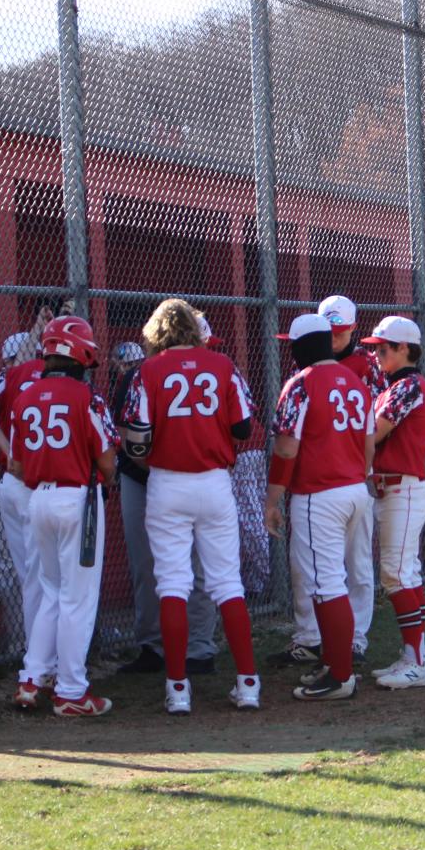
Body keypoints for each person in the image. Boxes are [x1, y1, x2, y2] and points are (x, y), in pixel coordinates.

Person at [121, 299, 261, 714]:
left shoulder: (148, 370)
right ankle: (249, 684)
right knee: (227, 584)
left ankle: (178, 689)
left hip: (166, 483)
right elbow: (243, 426)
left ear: (156, 332)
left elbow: (138, 437)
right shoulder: (222, 365)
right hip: (214, 481)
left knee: (172, 584)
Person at [9, 315, 117, 718]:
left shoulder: (25, 395)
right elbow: (106, 460)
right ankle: (71, 690)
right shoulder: (88, 397)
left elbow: (16, 465)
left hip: (38, 498)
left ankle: (31, 679)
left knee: (51, 592)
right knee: (77, 597)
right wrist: (106, 477)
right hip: (78, 498)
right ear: (81, 351)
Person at [267, 295, 381, 670]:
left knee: (341, 573)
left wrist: (274, 496)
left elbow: (286, 447)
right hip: (349, 482)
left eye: (340, 331)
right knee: (319, 572)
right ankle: (316, 641)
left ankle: (346, 652)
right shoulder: (341, 379)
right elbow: (366, 436)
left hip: (328, 487)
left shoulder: (326, 377)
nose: (335, 337)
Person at [108, 340, 219, 678]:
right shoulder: (137, 375)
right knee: (146, 564)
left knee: (197, 563)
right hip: (142, 477)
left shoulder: (213, 369)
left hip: (188, 478)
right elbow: (125, 433)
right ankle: (153, 646)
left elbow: (230, 430)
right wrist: (159, 469)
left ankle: (199, 647)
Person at [361, 315, 425, 690]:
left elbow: (374, 432)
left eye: (382, 348)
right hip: (394, 488)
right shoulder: (395, 386)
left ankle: (418, 662)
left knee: (395, 573)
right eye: (375, 348)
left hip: (403, 488)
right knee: (405, 572)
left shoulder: (409, 385)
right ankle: (414, 656)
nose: (376, 354)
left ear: (404, 349)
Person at [0, 329, 47, 663]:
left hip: (3, 480)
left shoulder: (24, 378)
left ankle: (24, 645)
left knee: (15, 568)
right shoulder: (5, 377)